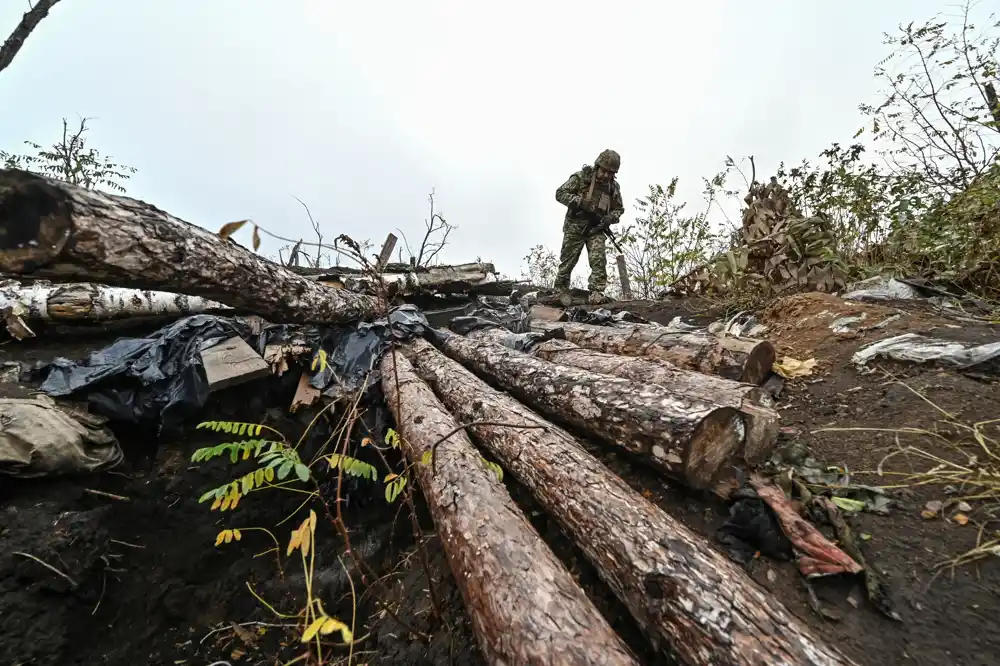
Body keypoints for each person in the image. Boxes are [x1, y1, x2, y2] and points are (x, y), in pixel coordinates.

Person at [553, 149, 624, 305]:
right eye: (604, 171)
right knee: (567, 261)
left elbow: (619, 209)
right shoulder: (580, 177)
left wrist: (609, 218)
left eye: (610, 173)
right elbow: (560, 193)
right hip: (575, 227)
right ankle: (560, 292)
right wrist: (579, 202)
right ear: (597, 166)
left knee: (598, 259)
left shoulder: (613, 187)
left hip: (596, 229)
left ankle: (597, 293)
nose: (606, 175)